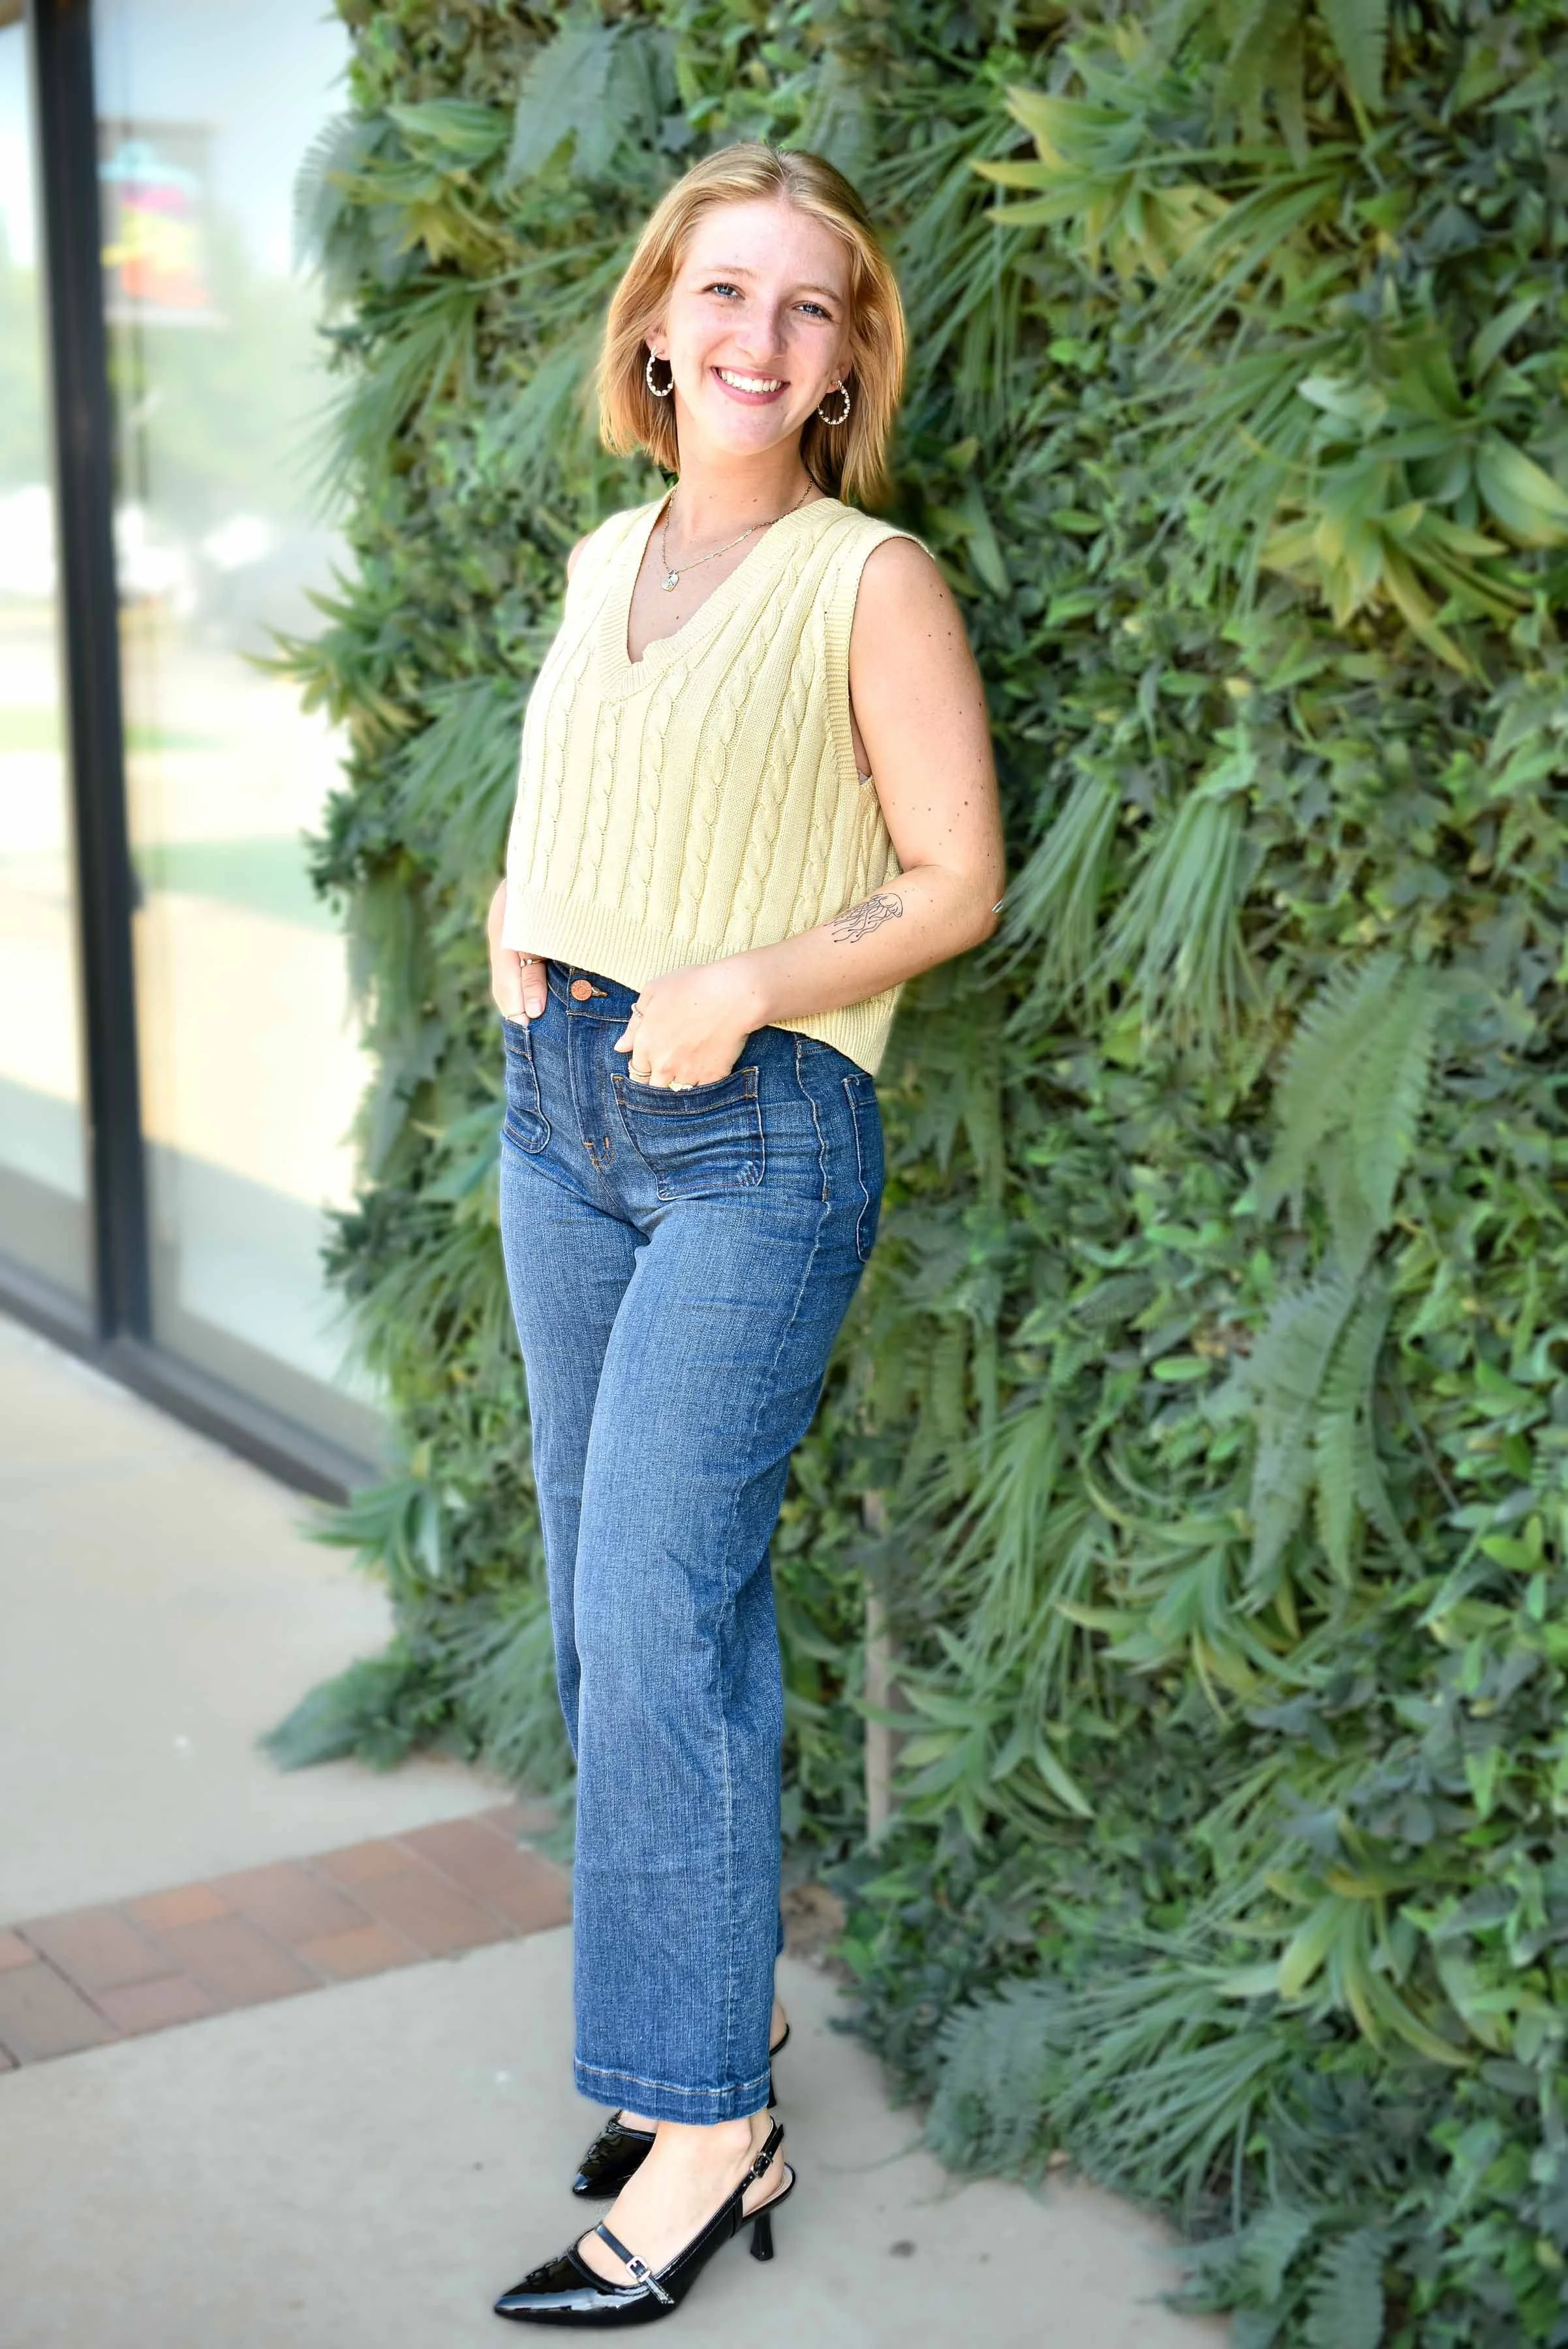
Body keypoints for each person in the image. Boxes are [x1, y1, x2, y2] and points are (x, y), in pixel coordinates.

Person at [485, 138, 1004, 2324]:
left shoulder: (866, 580)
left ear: (843, 359)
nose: (753, 336)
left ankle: (708, 2127)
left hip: (756, 1131)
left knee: (663, 1605)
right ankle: (720, 2036)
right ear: (657, 323)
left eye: (804, 307)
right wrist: (517, 914)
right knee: (607, 1620)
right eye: (722, 292)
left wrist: (739, 992)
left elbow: (951, 883)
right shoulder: (610, 551)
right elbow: (587, 796)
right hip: (556, 1113)